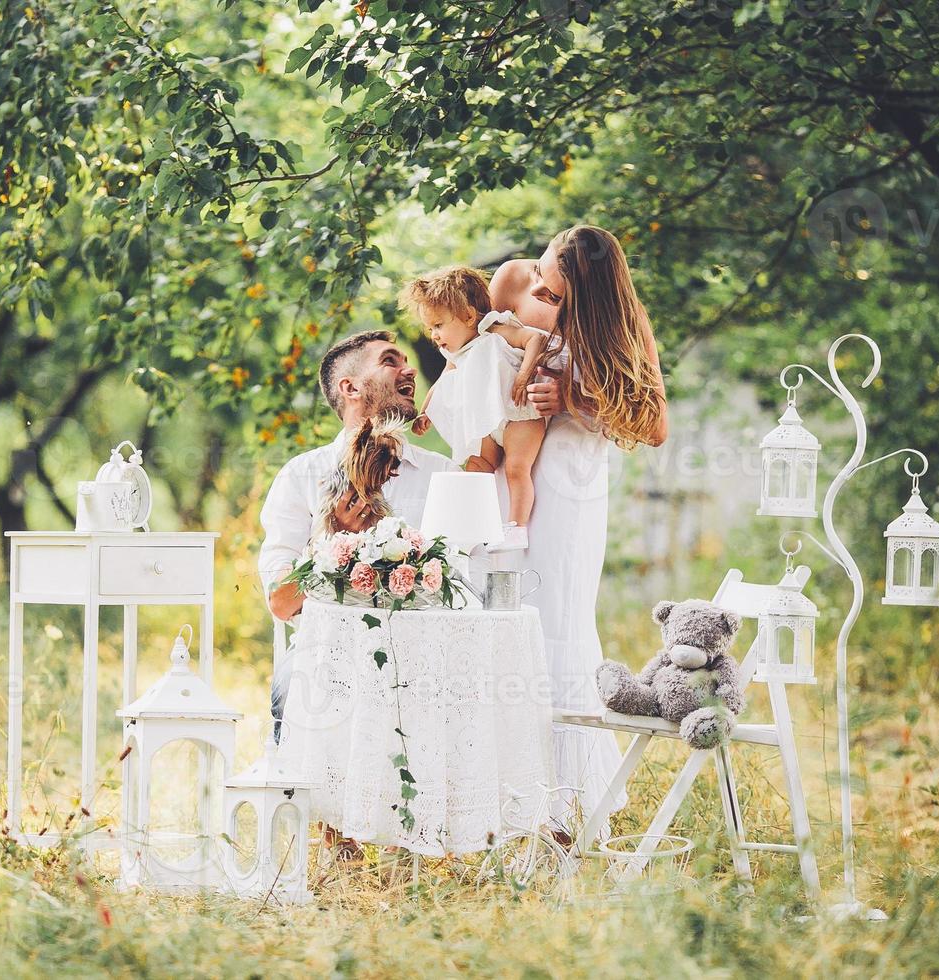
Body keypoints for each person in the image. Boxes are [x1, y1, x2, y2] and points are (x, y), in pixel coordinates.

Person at [489, 224, 669, 827]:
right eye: (541, 275)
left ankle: (563, 810)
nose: (540, 291)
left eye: (556, 291)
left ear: (588, 297)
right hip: (506, 480)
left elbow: (654, 426)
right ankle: (497, 796)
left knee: (555, 624)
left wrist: (571, 400)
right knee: (499, 618)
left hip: (569, 492)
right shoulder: (519, 281)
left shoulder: (624, 326)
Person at [258, 330, 455, 720]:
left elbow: (470, 582)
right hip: (325, 661)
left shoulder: (443, 475)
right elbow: (281, 603)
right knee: (290, 690)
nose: (410, 370)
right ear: (350, 387)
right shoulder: (301, 475)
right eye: (389, 361)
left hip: (428, 661)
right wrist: (335, 540)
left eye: (404, 361)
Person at [397, 266, 548, 549]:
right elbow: (443, 381)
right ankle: (470, 527)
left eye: (438, 325)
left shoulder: (495, 329)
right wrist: (425, 412)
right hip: (487, 421)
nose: (433, 335)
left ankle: (517, 528)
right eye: (430, 328)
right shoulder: (454, 352)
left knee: (517, 468)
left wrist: (525, 374)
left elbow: (534, 339)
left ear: (468, 315)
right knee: (476, 467)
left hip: (519, 415)